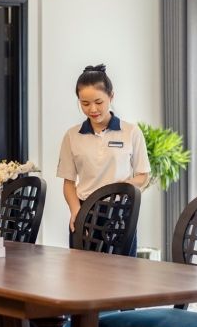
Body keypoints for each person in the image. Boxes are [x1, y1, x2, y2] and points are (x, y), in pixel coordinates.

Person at [57, 64, 150, 256]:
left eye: (98, 102)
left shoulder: (131, 132)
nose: (92, 109)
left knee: (122, 278)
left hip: (119, 215)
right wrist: (76, 212)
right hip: (85, 212)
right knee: (82, 278)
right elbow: (68, 183)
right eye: (85, 103)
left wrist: (120, 189)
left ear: (111, 96)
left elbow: (143, 175)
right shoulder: (72, 136)